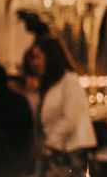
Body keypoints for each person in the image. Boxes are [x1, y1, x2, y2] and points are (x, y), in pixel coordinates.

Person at [24, 38, 96, 166]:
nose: (34, 63)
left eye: (37, 57)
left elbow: (69, 119)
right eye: (32, 59)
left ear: (51, 56)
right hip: (57, 151)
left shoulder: (70, 81)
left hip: (73, 151)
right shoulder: (50, 85)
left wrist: (49, 144)